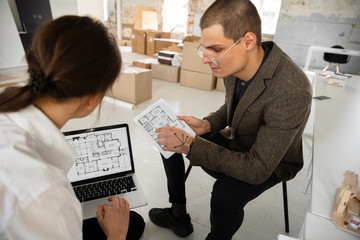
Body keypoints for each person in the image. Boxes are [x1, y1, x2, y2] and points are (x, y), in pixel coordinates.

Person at [148, 0, 313, 239]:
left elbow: (257, 169)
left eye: (215, 49)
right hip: (238, 139)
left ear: (248, 41)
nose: (206, 59)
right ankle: (178, 214)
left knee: (225, 195)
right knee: (170, 136)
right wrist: (209, 124)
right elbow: (234, 105)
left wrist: (191, 145)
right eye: (205, 49)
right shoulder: (235, 63)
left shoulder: (292, 89)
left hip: (271, 162)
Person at [0, 16, 144, 240]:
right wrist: (116, 234)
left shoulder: (7, 107)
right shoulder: (46, 193)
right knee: (130, 224)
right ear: (91, 100)